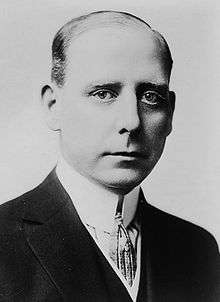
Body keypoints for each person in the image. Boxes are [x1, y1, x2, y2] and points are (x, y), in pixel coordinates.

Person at [0, 10, 219, 302]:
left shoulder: (197, 248)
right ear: (54, 105)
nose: (131, 121)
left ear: (170, 114)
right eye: (103, 93)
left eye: (150, 97)